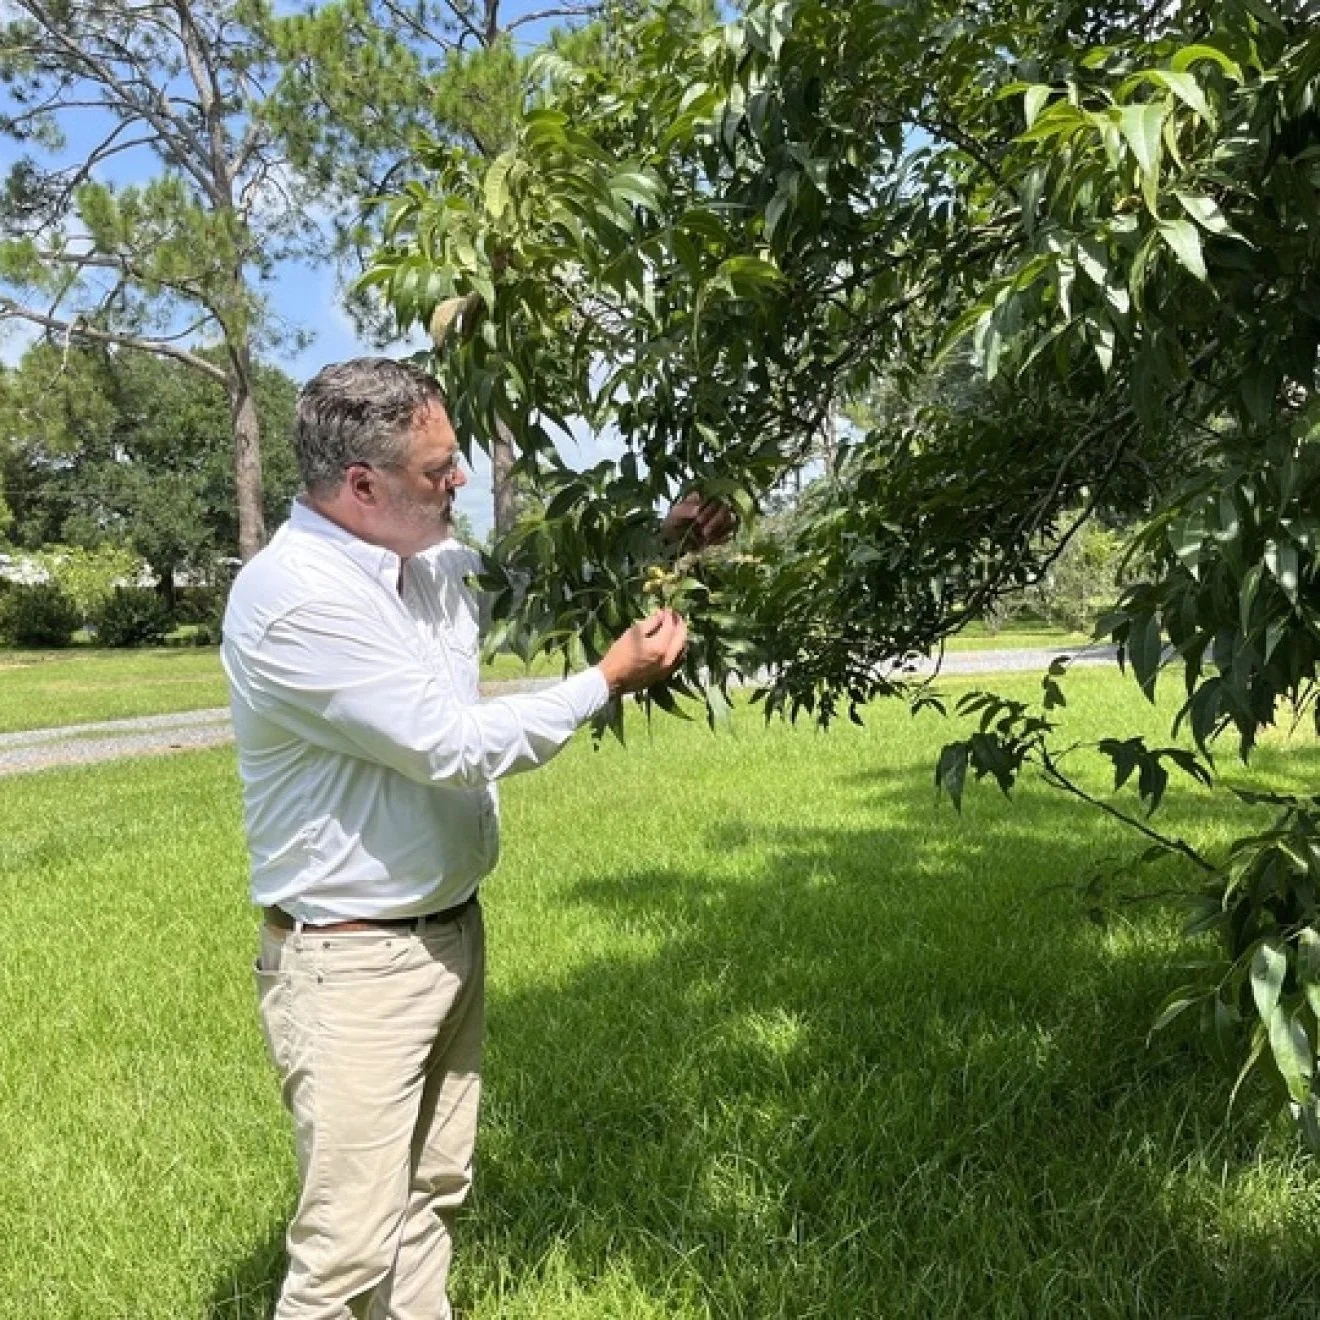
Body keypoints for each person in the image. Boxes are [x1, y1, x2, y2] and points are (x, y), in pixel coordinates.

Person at [221, 356, 732, 1320]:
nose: (460, 483)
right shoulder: (297, 596)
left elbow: (538, 583)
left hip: (447, 932)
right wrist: (605, 681)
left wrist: (662, 537)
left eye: (455, 460)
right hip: (354, 961)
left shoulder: (427, 564)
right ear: (361, 486)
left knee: (428, 1198)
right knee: (345, 1249)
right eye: (438, 469)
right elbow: (451, 745)